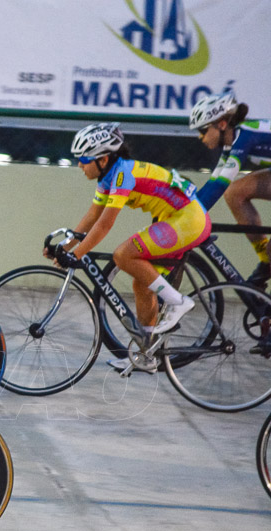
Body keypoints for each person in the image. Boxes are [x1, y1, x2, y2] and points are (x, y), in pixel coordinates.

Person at [57, 123, 211, 374]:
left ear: (103, 159)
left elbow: (105, 225)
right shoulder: (109, 176)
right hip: (176, 219)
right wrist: (65, 247)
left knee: (123, 254)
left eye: (84, 159)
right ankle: (146, 356)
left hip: (188, 219)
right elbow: (92, 216)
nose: (79, 165)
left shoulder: (121, 175)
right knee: (142, 283)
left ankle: (178, 302)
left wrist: (77, 253)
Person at [189, 90, 271, 286]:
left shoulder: (244, 138)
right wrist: (190, 207)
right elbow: (214, 181)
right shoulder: (232, 142)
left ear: (222, 124)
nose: (201, 137)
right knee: (235, 192)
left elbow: (219, 185)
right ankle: (266, 262)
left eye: (203, 130)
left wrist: (190, 215)